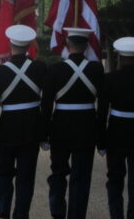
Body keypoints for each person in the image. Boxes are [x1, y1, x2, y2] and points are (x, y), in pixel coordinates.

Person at [41, 27, 104, 219]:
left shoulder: (55, 69)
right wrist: (101, 136)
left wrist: (44, 133)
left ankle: (57, 211)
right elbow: (103, 104)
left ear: (68, 46)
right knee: (82, 176)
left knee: (58, 171)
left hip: (60, 126)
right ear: (86, 47)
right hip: (86, 126)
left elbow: (46, 104)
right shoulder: (96, 69)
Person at [96, 36, 134, 219]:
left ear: (119, 58)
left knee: (114, 180)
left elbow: (101, 114)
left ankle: (116, 215)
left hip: (115, 133)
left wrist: (100, 141)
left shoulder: (109, 79)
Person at [0, 24, 47, 219]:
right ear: (30, 45)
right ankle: (21, 214)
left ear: (10, 44)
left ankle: (4, 212)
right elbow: (46, 102)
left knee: (4, 174)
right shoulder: (40, 68)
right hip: (31, 129)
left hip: (6, 129)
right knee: (26, 177)